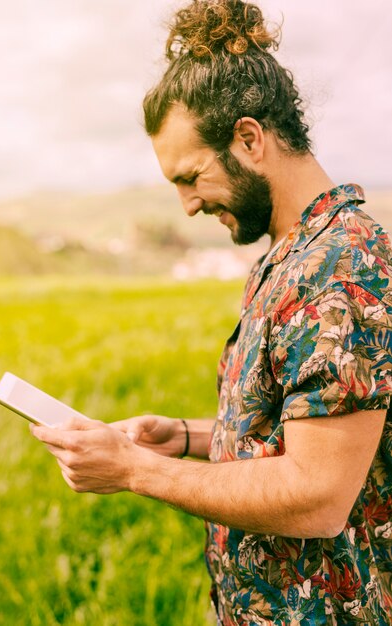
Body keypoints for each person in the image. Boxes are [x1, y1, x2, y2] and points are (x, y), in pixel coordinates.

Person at [31, 1, 392, 624]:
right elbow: (298, 423)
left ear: (249, 139)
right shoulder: (287, 257)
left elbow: (318, 495)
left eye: (191, 177)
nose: (188, 206)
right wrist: (186, 436)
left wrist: (134, 470)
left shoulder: (341, 267)